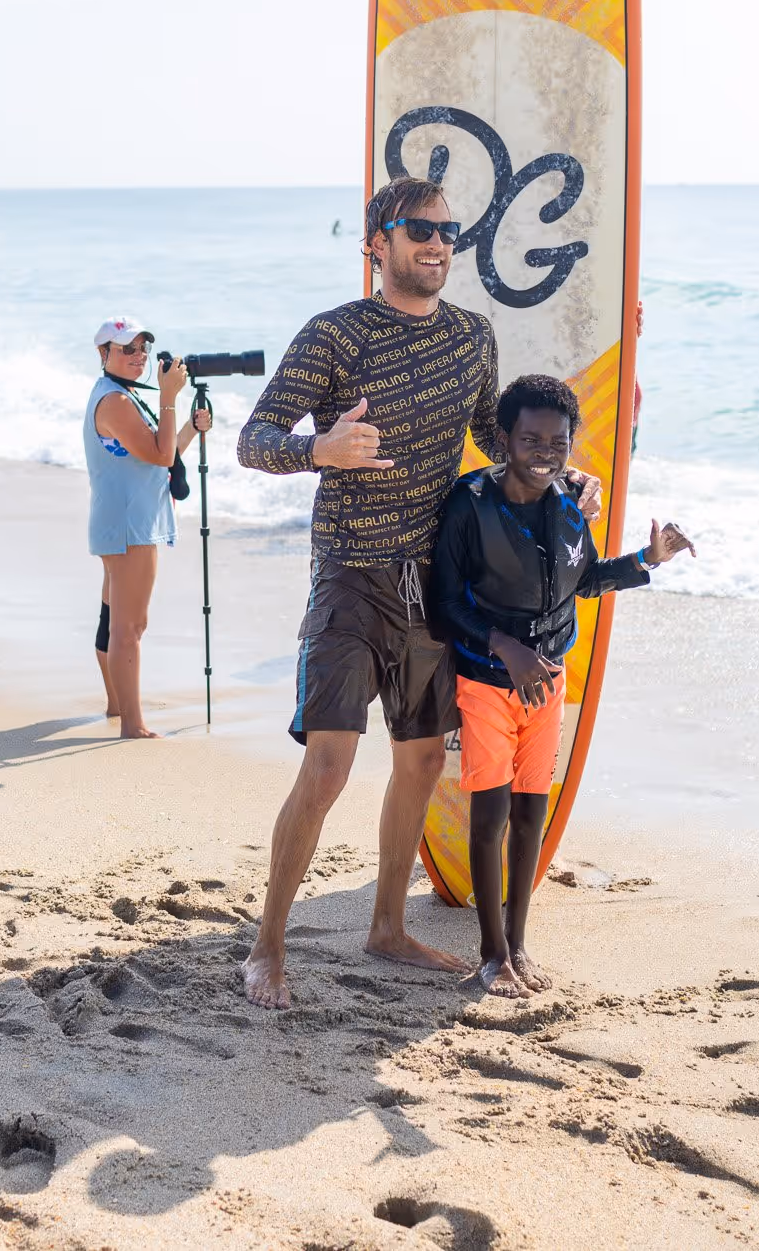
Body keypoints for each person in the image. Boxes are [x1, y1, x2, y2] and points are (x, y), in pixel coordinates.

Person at [233, 174, 603, 1010]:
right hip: (351, 575)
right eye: (418, 230)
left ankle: (388, 926)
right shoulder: (334, 336)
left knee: (423, 761)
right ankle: (267, 946)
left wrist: (560, 474)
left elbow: (486, 438)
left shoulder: (473, 338)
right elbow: (256, 439)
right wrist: (318, 451)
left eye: (448, 230)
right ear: (377, 244)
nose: (438, 243)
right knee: (328, 767)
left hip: (433, 583)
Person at [433, 373, 693, 996]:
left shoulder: (571, 505)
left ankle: (519, 944)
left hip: (548, 683)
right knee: (490, 815)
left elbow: (582, 581)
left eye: (558, 441)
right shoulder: (471, 504)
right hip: (489, 683)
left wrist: (645, 562)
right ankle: (491, 953)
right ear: (504, 438)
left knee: (531, 815)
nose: (545, 452)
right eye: (531, 439)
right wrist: (506, 648)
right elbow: (445, 605)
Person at [84, 316, 211, 739]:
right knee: (130, 628)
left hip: (122, 521)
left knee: (113, 620)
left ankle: (118, 705)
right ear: (103, 355)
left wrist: (190, 426)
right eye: (127, 349)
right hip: (131, 527)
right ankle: (132, 725)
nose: (139, 356)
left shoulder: (119, 395)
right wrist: (171, 397)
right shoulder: (116, 401)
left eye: (142, 348)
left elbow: (160, 451)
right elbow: (160, 456)